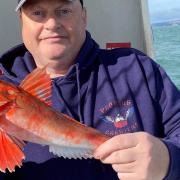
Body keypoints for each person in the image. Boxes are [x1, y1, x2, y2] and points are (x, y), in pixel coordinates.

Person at [0, 0, 180, 179]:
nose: (52, 24)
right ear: (22, 20)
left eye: (63, 11)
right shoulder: (7, 82)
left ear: (84, 16)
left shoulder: (137, 68)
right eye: (38, 13)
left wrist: (169, 159)